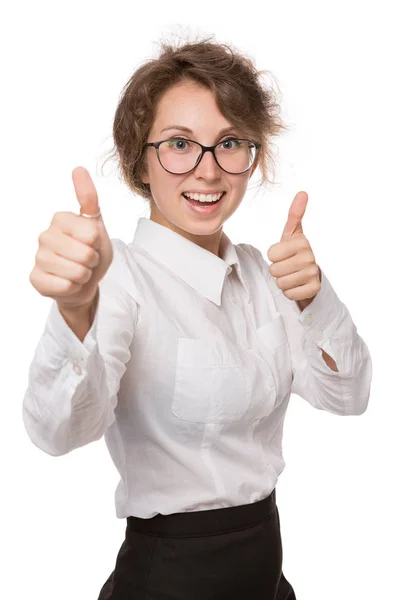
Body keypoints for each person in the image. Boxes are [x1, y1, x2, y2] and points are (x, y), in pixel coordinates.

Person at [23, 35, 372, 600]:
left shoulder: (264, 272)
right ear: (141, 156)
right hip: (168, 580)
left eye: (229, 142)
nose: (208, 171)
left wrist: (315, 300)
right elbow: (56, 432)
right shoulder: (118, 280)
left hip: (266, 576)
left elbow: (349, 396)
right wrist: (73, 311)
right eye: (180, 144)